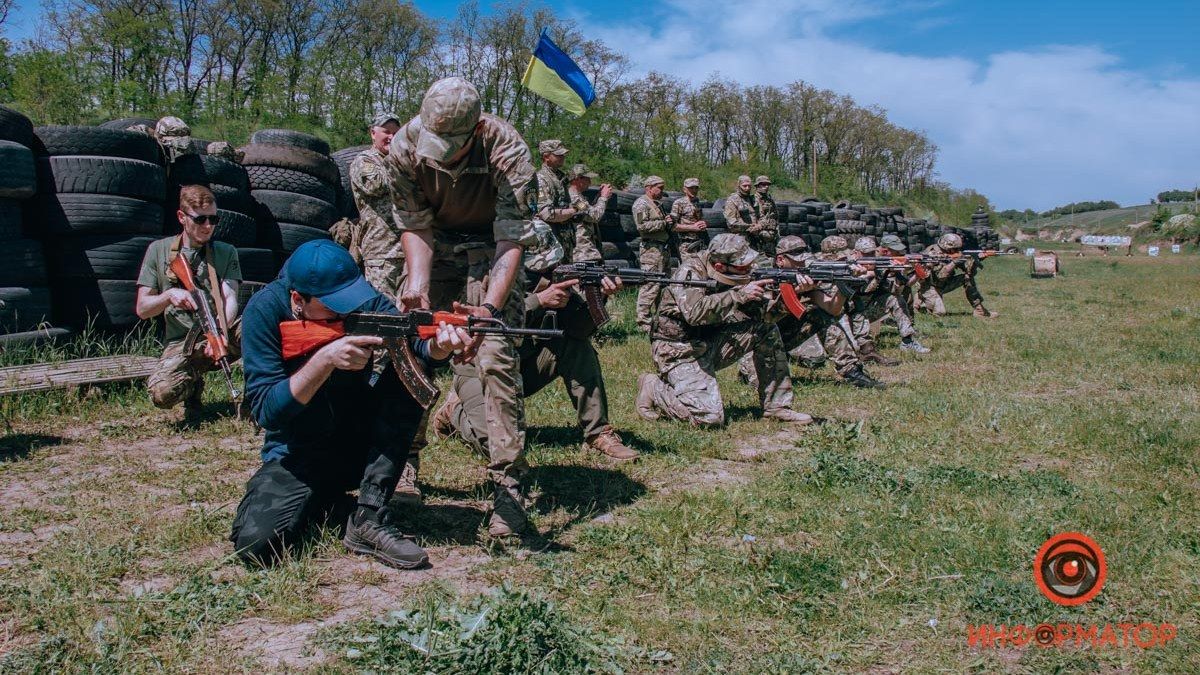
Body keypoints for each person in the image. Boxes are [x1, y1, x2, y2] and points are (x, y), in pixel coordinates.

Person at [230, 240, 470, 569]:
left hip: (360, 444)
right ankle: (328, 507)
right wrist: (324, 361)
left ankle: (369, 518)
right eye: (333, 306)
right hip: (295, 454)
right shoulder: (264, 310)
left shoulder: (357, 297)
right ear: (298, 300)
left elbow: (414, 340)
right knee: (257, 546)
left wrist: (439, 348)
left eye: (348, 302)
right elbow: (267, 411)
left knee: (411, 371)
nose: (345, 311)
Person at [386, 76, 537, 537]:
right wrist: (417, 286)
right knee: (410, 347)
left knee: (494, 357)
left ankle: (510, 486)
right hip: (436, 248)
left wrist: (488, 308)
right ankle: (402, 462)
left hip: (491, 253)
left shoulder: (508, 150)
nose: (443, 151)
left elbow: (511, 237)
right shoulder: (404, 148)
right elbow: (415, 224)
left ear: (474, 130)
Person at [432, 273, 638, 461]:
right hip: (478, 370)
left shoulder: (548, 277)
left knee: (575, 344)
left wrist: (600, 296)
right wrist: (538, 301)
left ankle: (597, 433)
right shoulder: (484, 273)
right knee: (494, 448)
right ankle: (454, 413)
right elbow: (483, 325)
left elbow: (578, 329)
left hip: (522, 367)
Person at [635, 233, 815, 427]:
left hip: (711, 342)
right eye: (742, 266)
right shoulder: (690, 271)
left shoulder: (739, 274)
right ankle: (653, 387)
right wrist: (738, 296)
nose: (749, 269)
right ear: (720, 266)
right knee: (709, 419)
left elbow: (767, 316)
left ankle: (777, 406)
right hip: (678, 349)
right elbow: (694, 314)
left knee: (765, 329)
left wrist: (794, 295)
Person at [344, 111, 426, 506]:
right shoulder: (366, 163)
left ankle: (406, 456)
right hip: (381, 263)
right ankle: (366, 443)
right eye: (386, 131)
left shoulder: (401, 160)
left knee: (410, 346)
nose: (391, 136)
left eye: (397, 132)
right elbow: (378, 187)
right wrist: (407, 160)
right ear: (372, 133)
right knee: (378, 345)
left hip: (411, 262)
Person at [136, 184, 242, 420]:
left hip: (221, 330)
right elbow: (142, 309)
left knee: (257, 329)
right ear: (182, 217)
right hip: (182, 342)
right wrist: (168, 296)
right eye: (201, 219)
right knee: (162, 394)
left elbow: (230, 297)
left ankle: (259, 393)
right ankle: (192, 387)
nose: (208, 226)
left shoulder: (225, 252)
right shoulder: (158, 251)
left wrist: (220, 332)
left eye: (214, 219)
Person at [915, 233, 998, 318]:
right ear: (946, 245)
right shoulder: (933, 253)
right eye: (954, 249)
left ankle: (980, 310)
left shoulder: (953, 254)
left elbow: (969, 272)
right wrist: (954, 262)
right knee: (939, 313)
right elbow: (940, 276)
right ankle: (920, 300)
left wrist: (975, 261)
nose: (956, 251)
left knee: (967, 278)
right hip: (929, 287)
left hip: (943, 284)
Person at [871, 235, 930, 353]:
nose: (899, 253)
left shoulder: (889, 262)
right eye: (895, 251)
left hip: (871, 306)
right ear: (885, 250)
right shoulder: (871, 261)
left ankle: (907, 341)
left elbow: (899, 289)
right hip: (854, 312)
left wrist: (916, 274)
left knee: (896, 299)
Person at [632, 175, 674, 331]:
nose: (662, 191)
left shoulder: (656, 204)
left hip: (663, 248)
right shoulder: (641, 204)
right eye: (659, 188)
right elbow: (642, 226)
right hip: (651, 250)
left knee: (664, 284)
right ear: (649, 188)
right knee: (650, 284)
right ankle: (643, 321)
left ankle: (661, 317)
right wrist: (663, 223)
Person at [565, 163, 610, 263]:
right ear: (578, 179)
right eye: (587, 178)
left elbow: (588, 211)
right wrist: (603, 197)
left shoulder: (578, 196)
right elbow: (594, 216)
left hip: (586, 251)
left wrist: (599, 196)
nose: (590, 182)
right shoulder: (574, 198)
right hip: (582, 252)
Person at [670, 178, 708, 261]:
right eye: (691, 188)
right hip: (686, 245)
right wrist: (692, 227)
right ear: (684, 189)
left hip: (699, 244)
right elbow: (672, 226)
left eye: (696, 188)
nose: (694, 190)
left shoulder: (697, 203)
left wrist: (703, 224)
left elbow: (698, 219)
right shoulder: (679, 203)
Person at [724, 175, 760, 251]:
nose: (747, 188)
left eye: (749, 186)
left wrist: (759, 225)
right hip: (739, 240)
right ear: (739, 186)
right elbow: (731, 223)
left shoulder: (751, 199)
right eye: (744, 186)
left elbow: (758, 215)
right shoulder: (732, 200)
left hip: (754, 238)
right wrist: (750, 227)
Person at [751, 175, 780, 255]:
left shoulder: (769, 200)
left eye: (767, 185)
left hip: (771, 235)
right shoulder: (753, 199)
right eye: (763, 185)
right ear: (757, 186)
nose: (766, 187)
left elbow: (775, 216)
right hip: (760, 236)